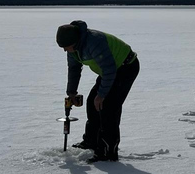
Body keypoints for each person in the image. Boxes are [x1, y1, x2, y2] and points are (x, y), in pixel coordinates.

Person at [56, 20, 139, 163]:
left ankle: (107, 152)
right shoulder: (73, 48)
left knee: (107, 107)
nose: (64, 50)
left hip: (126, 67)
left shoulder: (94, 42)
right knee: (91, 103)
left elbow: (109, 70)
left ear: (74, 41)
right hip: (109, 71)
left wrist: (101, 95)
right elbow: (74, 69)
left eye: (65, 47)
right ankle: (91, 142)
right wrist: (71, 92)